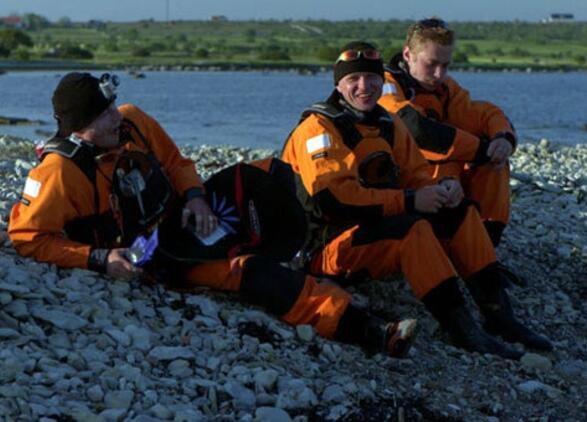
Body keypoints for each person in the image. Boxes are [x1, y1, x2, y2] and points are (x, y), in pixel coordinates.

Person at [8, 72, 418, 358]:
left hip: (185, 217)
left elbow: (176, 162)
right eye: (104, 116)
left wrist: (195, 198)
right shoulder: (59, 174)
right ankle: (367, 330)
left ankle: (323, 248)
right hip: (156, 257)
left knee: (268, 178)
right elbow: (29, 238)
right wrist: (98, 259)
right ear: (79, 129)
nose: (116, 116)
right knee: (248, 270)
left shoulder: (132, 121)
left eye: (113, 107)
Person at [282, 42, 552, 359]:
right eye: (353, 80)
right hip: (325, 248)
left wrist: (442, 189)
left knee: (459, 212)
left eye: (371, 79)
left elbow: (416, 174)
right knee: (413, 230)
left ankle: (499, 315)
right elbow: (334, 200)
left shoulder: (387, 124)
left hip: (371, 231)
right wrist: (410, 201)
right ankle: (465, 331)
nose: (364, 87)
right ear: (338, 84)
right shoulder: (319, 130)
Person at [378, 18, 515, 248]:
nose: (439, 74)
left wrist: (503, 138)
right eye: (431, 64)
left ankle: (485, 244)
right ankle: (444, 240)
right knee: (465, 161)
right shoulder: (383, 85)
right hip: (397, 176)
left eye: (446, 65)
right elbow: (417, 130)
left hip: (438, 172)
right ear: (408, 55)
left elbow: (482, 113)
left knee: (495, 164)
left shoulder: (446, 89)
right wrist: (481, 151)